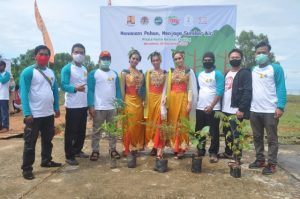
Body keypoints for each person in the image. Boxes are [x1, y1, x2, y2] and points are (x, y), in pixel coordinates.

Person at [20, 45, 61, 180]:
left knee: (47, 140)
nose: (43, 56)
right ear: (35, 56)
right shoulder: (28, 72)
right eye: (40, 54)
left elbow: (54, 91)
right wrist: (27, 113)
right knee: (30, 143)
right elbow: (24, 94)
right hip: (34, 115)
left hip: (48, 114)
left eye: (46, 54)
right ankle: (27, 169)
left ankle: (46, 160)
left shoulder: (51, 72)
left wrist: (56, 107)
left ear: (49, 57)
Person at [248, 41, 286, 175]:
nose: (261, 55)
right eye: (258, 53)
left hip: (270, 110)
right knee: (257, 137)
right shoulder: (253, 69)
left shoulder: (276, 68)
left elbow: (281, 87)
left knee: (272, 138)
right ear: (255, 55)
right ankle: (260, 160)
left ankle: (272, 163)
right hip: (254, 110)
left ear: (269, 53)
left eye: (264, 52)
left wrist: (280, 106)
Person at [88, 51, 122, 161]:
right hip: (99, 108)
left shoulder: (114, 74)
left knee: (112, 130)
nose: (106, 60)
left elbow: (117, 90)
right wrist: (91, 106)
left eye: (108, 58)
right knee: (97, 130)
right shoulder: (94, 73)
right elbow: (90, 91)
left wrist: (119, 104)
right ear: (99, 60)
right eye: (104, 58)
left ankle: (112, 149)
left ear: (110, 61)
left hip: (112, 108)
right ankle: (95, 150)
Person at [219, 49, 252, 163]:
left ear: (241, 59)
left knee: (236, 134)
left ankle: (237, 157)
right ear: (229, 59)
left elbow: (247, 92)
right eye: (232, 58)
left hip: (236, 110)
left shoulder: (245, 73)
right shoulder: (227, 73)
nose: (234, 59)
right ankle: (228, 153)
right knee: (227, 133)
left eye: (237, 57)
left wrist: (242, 109)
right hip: (225, 109)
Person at [61, 43, 89, 165]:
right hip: (72, 105)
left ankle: (78, 150)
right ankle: (69, 155)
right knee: (71, 131)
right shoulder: (67, 68)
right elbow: (63, 85)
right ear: (72, 53)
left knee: (81, 130)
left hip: (83, 104)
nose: (79, 54)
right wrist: (75, 88)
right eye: (76, 52)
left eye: (81, 52)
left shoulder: (84, 69)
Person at [167, 50, 198, 159]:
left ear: (183, 58)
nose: (177, 60)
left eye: (179, 58)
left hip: (183, 98)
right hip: (172, 99)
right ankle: (175, 147)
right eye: (175, 59)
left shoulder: (189, 71)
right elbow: (168, 87)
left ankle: (182, 148)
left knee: (182, 123)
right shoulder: (171, 71)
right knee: (173, 122)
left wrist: (189, 103)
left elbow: (190, 88)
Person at [195, 52, 224, 163]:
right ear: (202, 61)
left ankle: (213, 152)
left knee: (214, 132)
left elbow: (220, 91)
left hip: (214, 108)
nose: (207, 62)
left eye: (209, 60)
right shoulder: (199, 74)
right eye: (205, 60)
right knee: (199, 130)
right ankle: (200, 150)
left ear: (213, 61)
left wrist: (211, 106)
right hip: (200, 107)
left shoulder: (218, 74)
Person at [120, 49, 145, 156]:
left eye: (137, 59)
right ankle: (127, 147)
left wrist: (144, 100)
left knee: (137, 125)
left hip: (139, 102)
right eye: (133, 58)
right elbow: (122, 89)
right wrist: (121, 103)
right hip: (128, 101)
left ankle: (136, 146)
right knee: (128, 125)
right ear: (129, 59)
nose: (135, 60)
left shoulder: (141, 74)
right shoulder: (124, 73)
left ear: (139, 61)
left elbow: (143, 89)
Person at [144, 51, 167, 159]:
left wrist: (165, 98)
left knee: (160, 123)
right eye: (153, 60)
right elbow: (145, 88)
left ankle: (160, 148)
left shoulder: (166, 73)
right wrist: (145, 100)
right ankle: (153, 146)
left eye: (157, 60)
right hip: (150, 100)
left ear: (160, 60)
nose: (155, 62)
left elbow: (167, 88)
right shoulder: (148, 72)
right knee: (151, 123)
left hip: (160, 100)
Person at [0, 60, 11, 133]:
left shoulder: (7, 74)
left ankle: (5, 126)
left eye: (1, 65)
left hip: (4, 96)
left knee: (4, 112)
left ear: (4, 66)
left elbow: (3, 80)